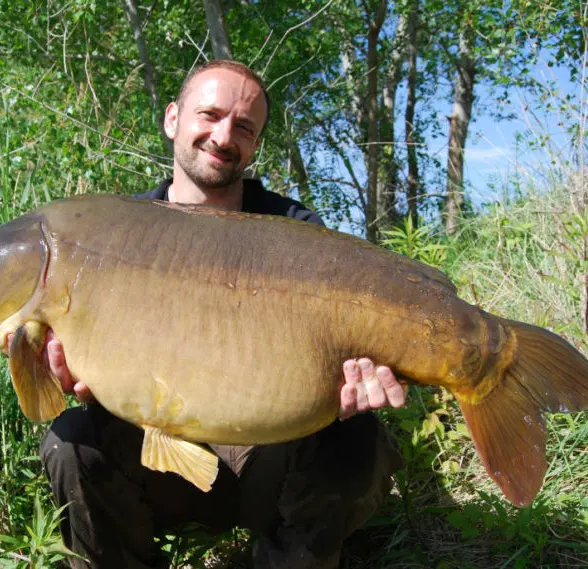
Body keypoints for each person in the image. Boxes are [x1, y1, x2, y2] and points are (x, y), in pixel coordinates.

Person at [39, 60, 406, 569]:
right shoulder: (115, 233)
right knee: (70, 441)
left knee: (356, 441)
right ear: (173, 118)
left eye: (244, 127)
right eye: (209, 115)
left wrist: (355, 389)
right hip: (160, 464)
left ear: (256, 144)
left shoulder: (293, 229)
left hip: (272, 459)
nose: (223, 136)